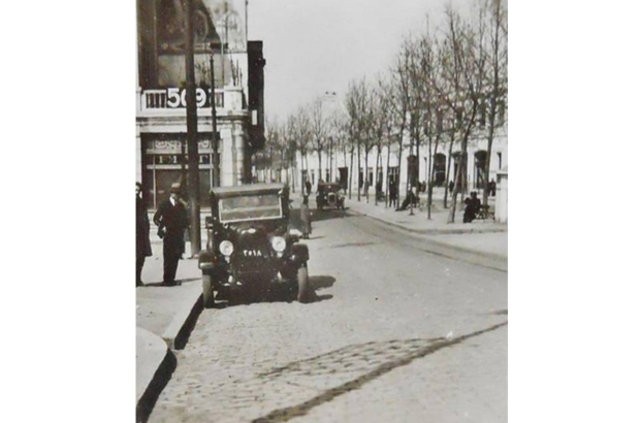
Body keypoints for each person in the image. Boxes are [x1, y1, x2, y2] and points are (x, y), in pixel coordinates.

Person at [153, 183, 189, 286]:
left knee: (176, 256)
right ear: (171, 194)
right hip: (168, 234)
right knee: (168, 257)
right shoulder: (164, 204)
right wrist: (161, 227)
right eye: (174, 194)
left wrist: (184, 226)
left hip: (178, 235)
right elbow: (156, 218)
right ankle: (166, 279)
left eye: (178, 194)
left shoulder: (181, 206)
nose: (176, 196)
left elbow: (185, 220)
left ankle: (172, 278)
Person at [136, 182, 152, 287]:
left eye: (137, 190)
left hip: (141, 234)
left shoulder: (142, 202)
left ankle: (137, 278)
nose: (136, 192)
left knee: (141, 257)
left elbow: (145, 217)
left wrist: (146, 228)